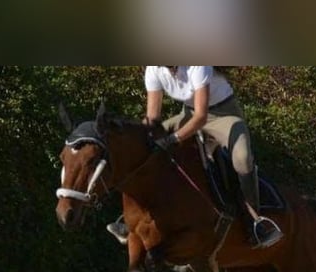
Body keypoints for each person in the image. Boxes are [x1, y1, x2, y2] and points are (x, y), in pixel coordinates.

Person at [106, 65, 283, 249]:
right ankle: (128, 220)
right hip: (187, 114)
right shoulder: (154, 69)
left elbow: (201, 117)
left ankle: (255, 220)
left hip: (222, 115)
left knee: (242, 158)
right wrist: (136, 134)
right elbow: (152, 118)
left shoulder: (197, 65)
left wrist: (173, 139)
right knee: (147, 146)